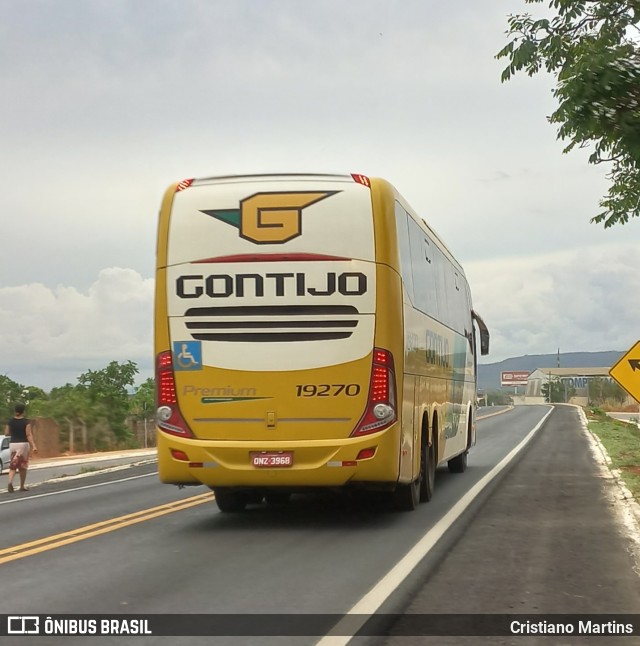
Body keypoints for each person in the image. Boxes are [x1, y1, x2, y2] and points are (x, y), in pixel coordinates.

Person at [4, 403, 38, 493]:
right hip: (23, 444)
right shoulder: (26, 421)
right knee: (22, 466)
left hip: (13, 444)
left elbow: (6, 433)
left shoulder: (10, 421)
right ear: (23, 411)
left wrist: (14, 433)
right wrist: (34, 446)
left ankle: (10, 482)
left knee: (13, 465)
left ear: (15, 410)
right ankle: (22, 486)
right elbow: (28, 434)